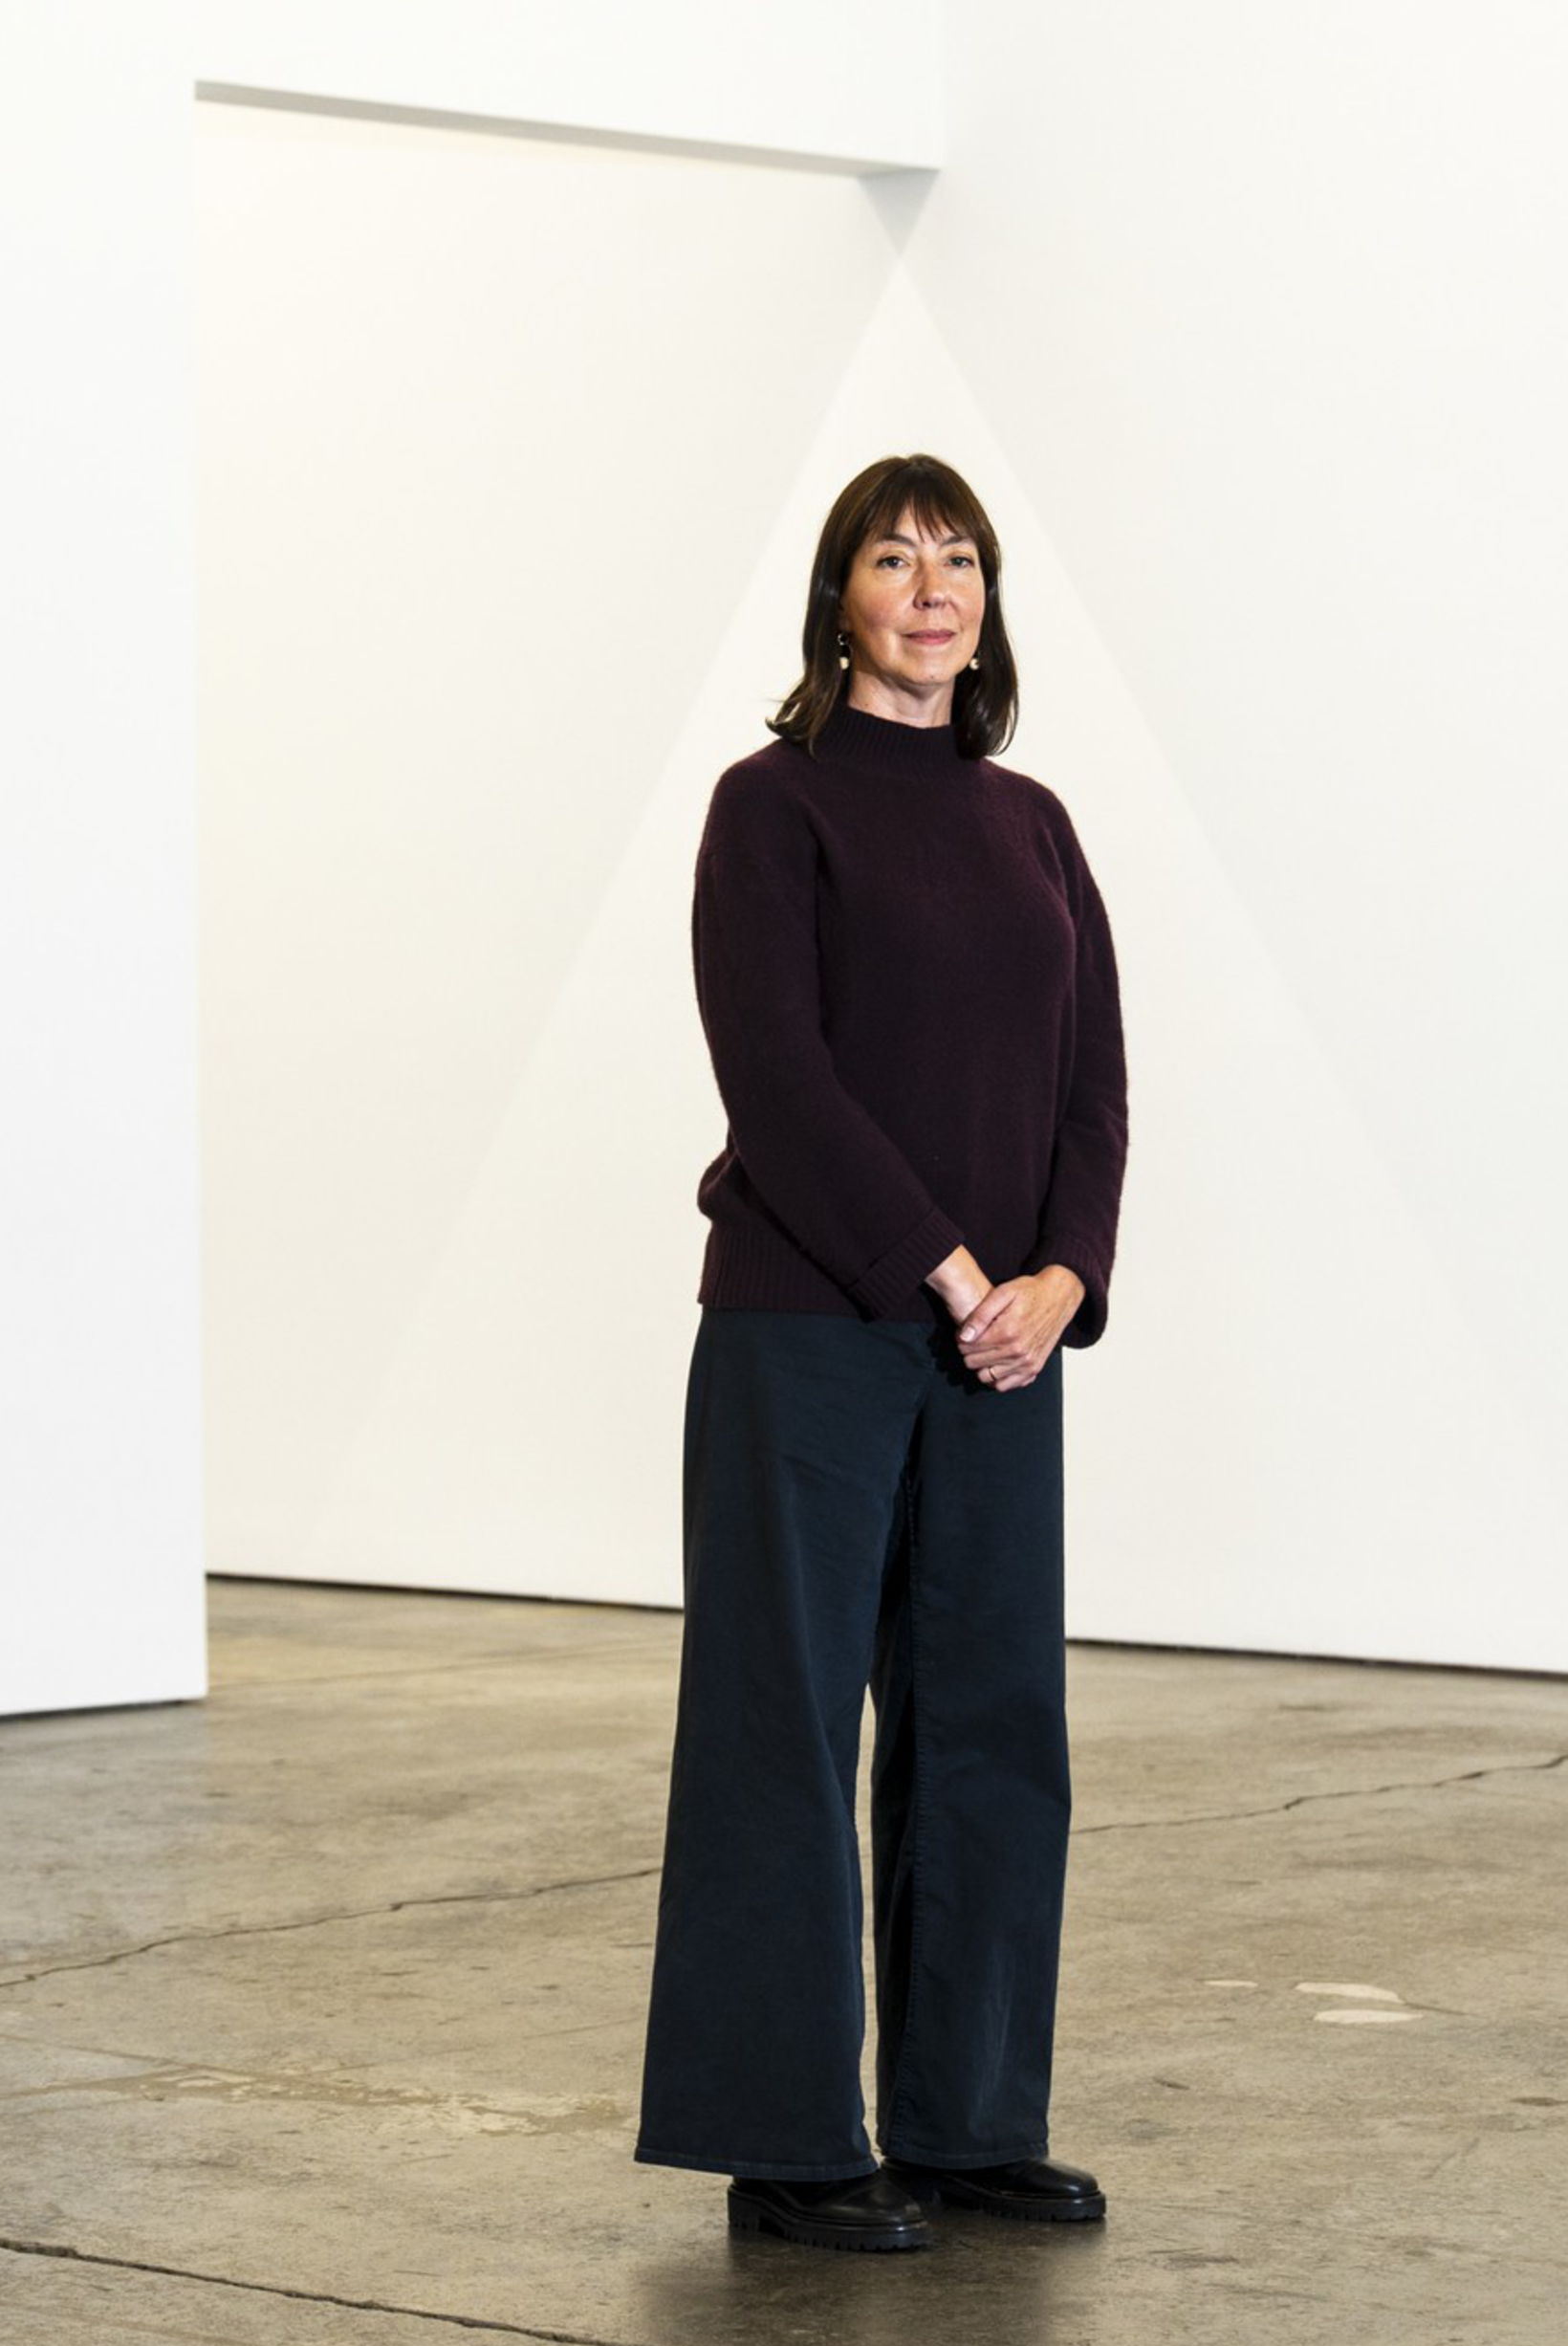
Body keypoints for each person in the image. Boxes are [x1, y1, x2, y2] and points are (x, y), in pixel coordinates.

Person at [633, 454, 1129, 2252]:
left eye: (962, 557)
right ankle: (785, 2141)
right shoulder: (771, 809)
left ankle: (967, 2116)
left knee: (994, 1721)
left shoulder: (1034, 823)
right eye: (892, 556)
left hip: (1008, 1345)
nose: (933, 585)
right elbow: (778, 1081)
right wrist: (944, 1267)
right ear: (835, 597)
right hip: (813, 1330)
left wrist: (1062, 1277)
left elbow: (1092, 1084)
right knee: (781, 1725)